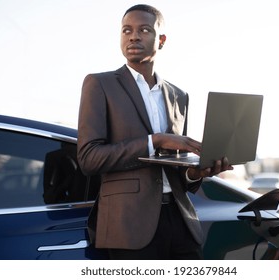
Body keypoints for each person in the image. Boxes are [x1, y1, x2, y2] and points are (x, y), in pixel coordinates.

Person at [77, 4, 233, 260]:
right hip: (128, 227)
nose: (133, 36)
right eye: (126, 30)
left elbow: (177, 171)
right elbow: (89, 158)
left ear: (161, 40)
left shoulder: (179, 95)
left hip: (181, 222)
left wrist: (196, 173)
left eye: (144, 30)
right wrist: (156, 140)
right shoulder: (99, 84)